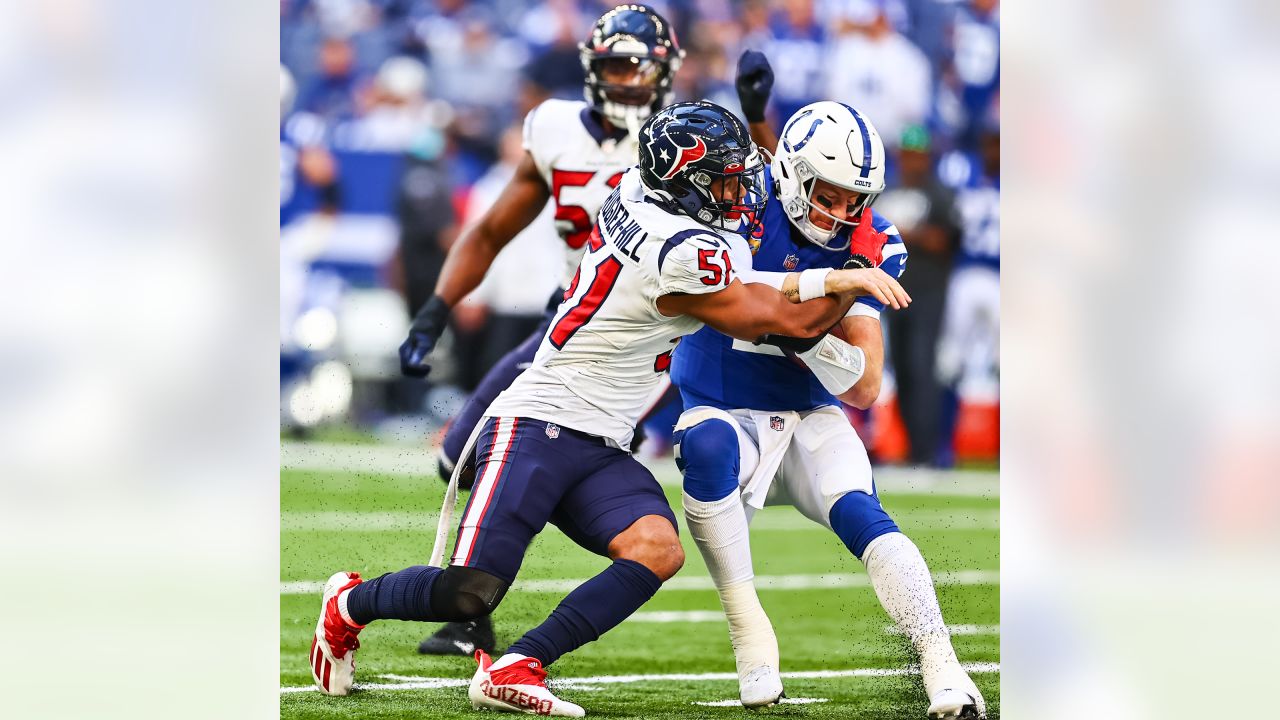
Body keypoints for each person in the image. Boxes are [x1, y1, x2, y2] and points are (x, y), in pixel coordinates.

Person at [309, 100, 910, 717]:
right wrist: (846, 279)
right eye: (726, 183)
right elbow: (775, 317)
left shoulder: (646, 195)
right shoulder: (677, 247)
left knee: (657, 547)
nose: (741, 194)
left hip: (602, 436)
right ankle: (350, 604)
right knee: (469, 594)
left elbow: (755, 275)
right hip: (541, 420)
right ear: (686, 181)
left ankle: (521, 662)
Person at [670, 69, 987, 718]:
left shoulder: (870, 241)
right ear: (789, 175)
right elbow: (728, 287)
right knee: (703, 446)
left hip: (806, 411)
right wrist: (819, 296)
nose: (842, 215)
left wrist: (800, 331)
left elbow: (866, 385)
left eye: (855, 200)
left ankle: (941, 664)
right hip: (724, 405)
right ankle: (749, 632)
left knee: (865, 516)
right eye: (830, 195)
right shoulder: (740, 199)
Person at [396, 5, 686, 656]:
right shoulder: (556, 130)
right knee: (461, 453)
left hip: (647, 337)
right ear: (591, 69)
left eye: (643, 68)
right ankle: (474, 604)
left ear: (667, 73)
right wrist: (436, 309)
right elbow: (493, 228)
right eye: (617, 65)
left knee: (542, 457)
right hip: (570, 318)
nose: (632, 81)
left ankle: (485, 613)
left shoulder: (681, 143)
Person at [876, 125, 961, 466]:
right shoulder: (888, 190)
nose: (912, 160)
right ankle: (913, 447)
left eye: (918, 154)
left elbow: (946, 242)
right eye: (907, 153)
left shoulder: (938, 194)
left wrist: (906, 234)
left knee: (922, 365)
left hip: (927, 292)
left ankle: (929, 449)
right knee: (902, 368)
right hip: (893, 291)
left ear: (927, 157)